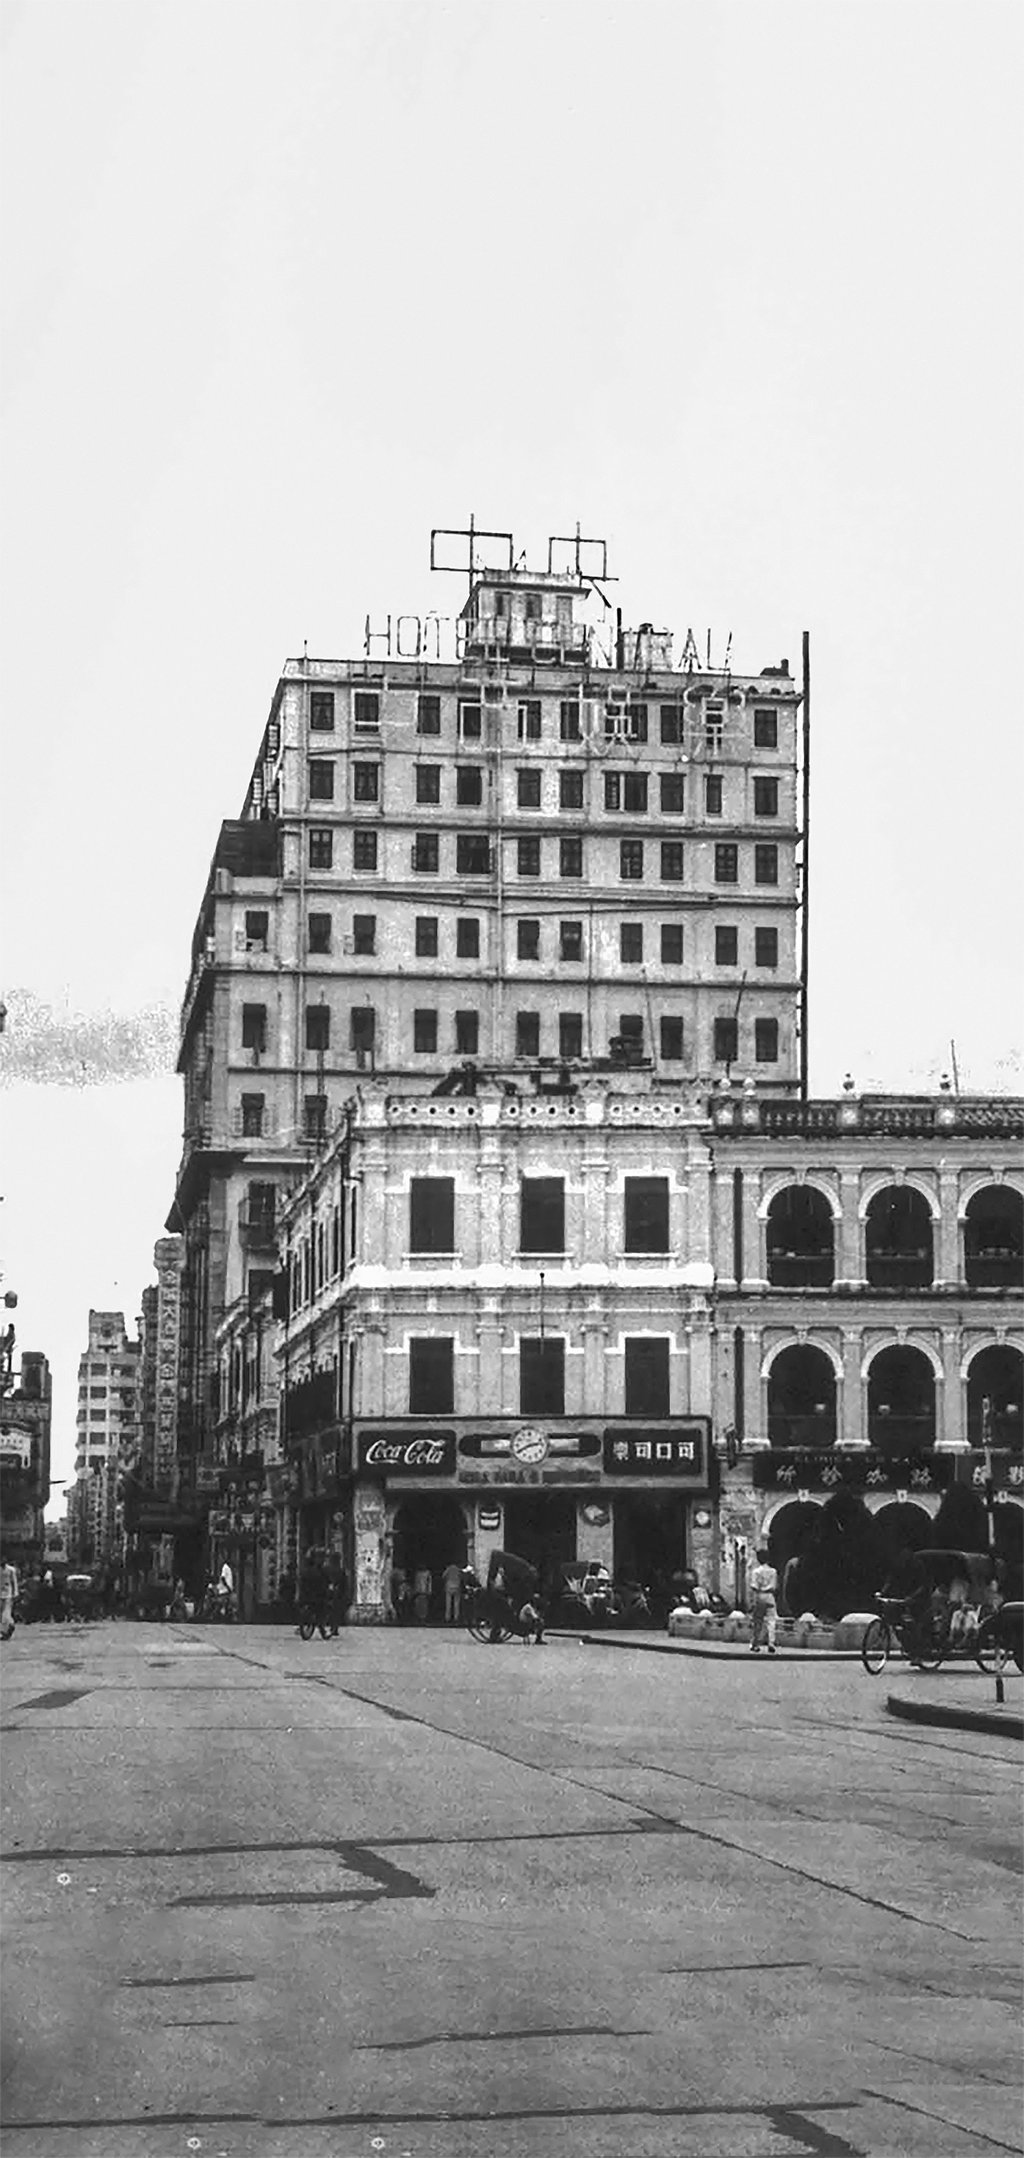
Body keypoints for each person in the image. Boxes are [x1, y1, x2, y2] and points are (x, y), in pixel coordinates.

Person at [486, 1550, 544, 1644]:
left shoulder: (517, 1570)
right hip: (506, 1599)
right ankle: (495, 1635)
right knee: (500, 1611)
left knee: (500, 1613)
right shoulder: (521, 1571)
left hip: (507, 1597)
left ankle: (495, 1635)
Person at [749, 1546, 778, 1655]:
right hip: (770, 1596)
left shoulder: (756, 1572)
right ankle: (771, 1643)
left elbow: (754, 1586)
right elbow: (774, 1586)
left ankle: (755, 1644)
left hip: (760, 1595)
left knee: (758, 1621)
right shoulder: (773, 1571)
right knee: (771, 1620)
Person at [1, 1556, 18, 1641]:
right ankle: (8, 1626)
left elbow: (14, 1581)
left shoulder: (11, 1570)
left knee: (6, 1613)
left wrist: (15, 1592)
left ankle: (7, 1628)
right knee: (2, 1614)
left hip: (8, 1594)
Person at [442, 1559, 463, 1625]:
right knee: (456, 1603)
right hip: (457, 1586)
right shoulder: (458, 1569)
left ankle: (447, 1618)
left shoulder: (448, 1569)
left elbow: (443, 1576)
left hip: (449, 1586)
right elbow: (462, 1577)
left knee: (448, 1603)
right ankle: (456, 1618)